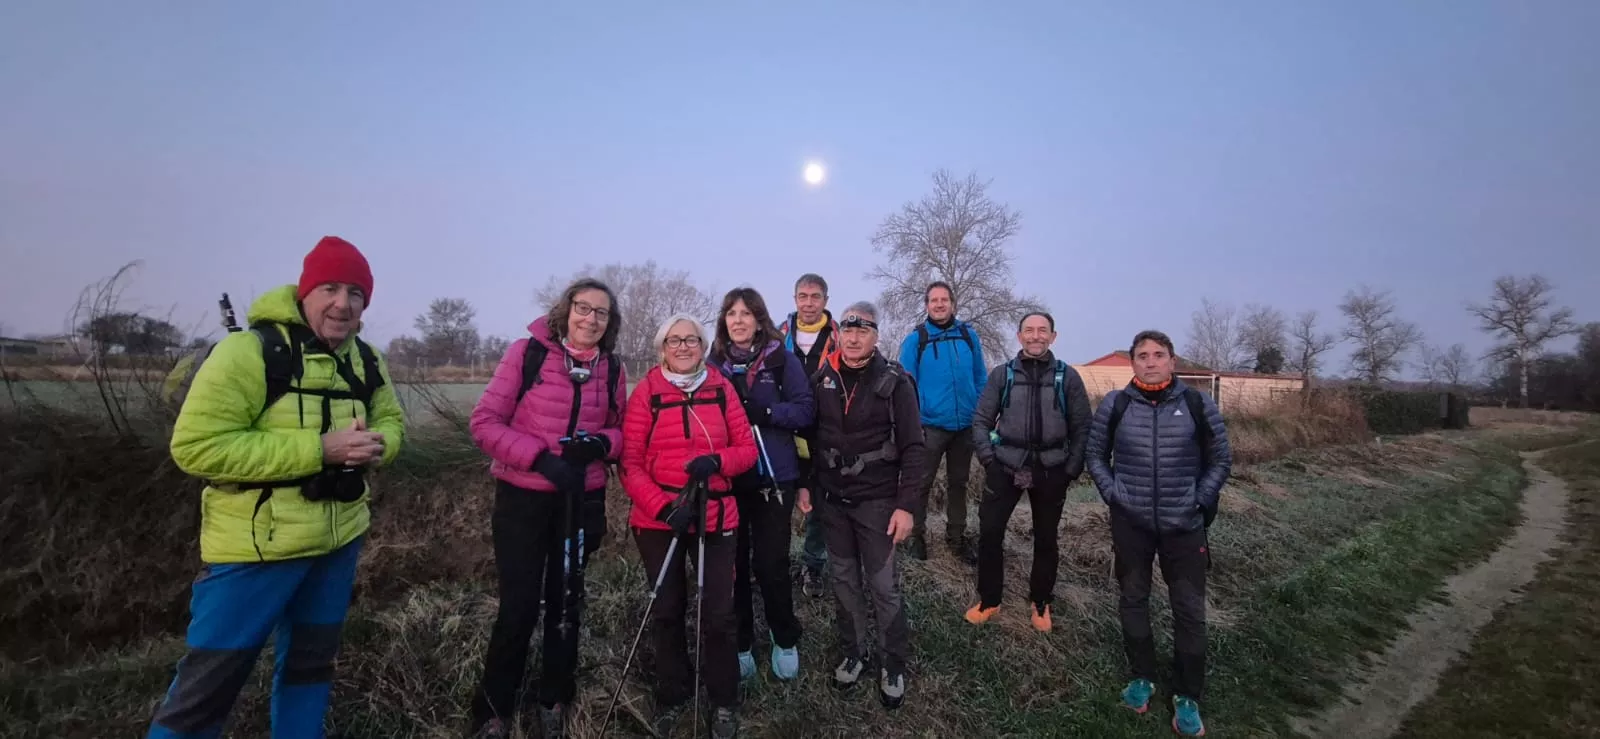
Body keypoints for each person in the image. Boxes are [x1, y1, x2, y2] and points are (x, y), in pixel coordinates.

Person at [147, 236, 406, 739]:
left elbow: (393, 421)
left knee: (312, 668)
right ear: (304, 292)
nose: (343, 303)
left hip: (338, 541)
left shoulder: (368, 360)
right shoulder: (247, 352)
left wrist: (379, 445)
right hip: (254, 551)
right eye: (330, 288)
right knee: (208, 688)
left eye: (356, 293)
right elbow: (197, 448)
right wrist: (320, 450)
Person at [465, 278, 627, 739]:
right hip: (523, 498)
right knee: (518, 606)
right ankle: (493, 709)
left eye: (601, 313)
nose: (591, 319)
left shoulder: (612, 369)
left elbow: (621, 433)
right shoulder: (527, 353)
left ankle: (555, 698)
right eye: (583, 308)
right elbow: (483, 423)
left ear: (609, 323)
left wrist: (600, 443)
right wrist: (539, 459)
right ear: (566, 310)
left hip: (581, 501)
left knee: (567, 603)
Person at [1085, 330, 1231, 738]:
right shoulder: (1116, 404)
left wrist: (1198, 499)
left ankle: (1187, 694)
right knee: (1133, 599)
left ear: (1172, 360)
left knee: (1188, 610)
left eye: (1158, 355)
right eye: (1142, 355)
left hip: (1184, 525)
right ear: (1133, 363)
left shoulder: (1197, 403)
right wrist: (1114, 494)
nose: (1150, 362)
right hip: (1131, 523)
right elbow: (1095, 456)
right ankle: (1142, 676)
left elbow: (1221, 459)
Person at [621, 314, 759, 739]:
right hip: (659, 518)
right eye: (674, 340)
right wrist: (664, 509)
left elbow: (747, 450)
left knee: (718, 613)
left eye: (692, 340)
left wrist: (717, 462)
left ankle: (722, 701)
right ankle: (672, 693)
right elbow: (630, 463)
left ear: (703, 346)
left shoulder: (722, 389)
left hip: (716, 513)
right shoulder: (646, 393)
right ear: (662, 348)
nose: (683, 347)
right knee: (666, 610)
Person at [803, 301, 926, 709]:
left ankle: (894, 663)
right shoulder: (823, 377)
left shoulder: (895, 382)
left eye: (864, 331)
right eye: (849, 331)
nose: (854, 338)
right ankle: (854, 653)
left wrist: (906, 505)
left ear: (876, 336)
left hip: (877, 502)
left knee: (884, 587)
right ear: (839, 334)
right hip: (832, 503)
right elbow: (810, 439)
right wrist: (807, 486)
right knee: (843, 581)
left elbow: (913, 448)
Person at [709, 287, 816, 682]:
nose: (738, 320)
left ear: (759, 319)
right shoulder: (713, 364)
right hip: (728, 481)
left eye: (746, 313)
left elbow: (806, 410)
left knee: (770, 564)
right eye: (731, 313)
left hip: (775, 479)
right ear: (724, 321)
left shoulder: (780, 360)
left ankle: (783, 636)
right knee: (732, 566)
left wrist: (767, 411)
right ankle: (740, 643)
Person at [966, 311, 1091, 632]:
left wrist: (1071, 469)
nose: (1036, 336)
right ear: (1019, 336)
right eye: (1029, 331)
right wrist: (989, 460)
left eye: (1043, 331)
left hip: (1052, 470)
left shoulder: (1068, 377)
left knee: (1046, 539)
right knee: (990, 533)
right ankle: (990, 600)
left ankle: (1040, 601)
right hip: (1005, 466)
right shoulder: (1002, 375)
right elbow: (980, 421)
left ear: (1053, 336)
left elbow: (1082, 428)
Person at [898, 281, 987, 562]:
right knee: (920, 484)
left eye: (944, 300)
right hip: (930, 425)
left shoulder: (968, 335)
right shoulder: (916, 340)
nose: (939, 304)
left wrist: (983, 412)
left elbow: (980, 377)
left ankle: (957, 538)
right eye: (934, 300)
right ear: (926, 305)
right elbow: (905, 384)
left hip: (965, 426)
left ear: (952, 304)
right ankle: (916, 537)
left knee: (958, 483)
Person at [776, 273, 839, 597]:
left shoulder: (840, 336)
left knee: (819, 502)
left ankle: (813, 566)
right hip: (784, 429)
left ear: (825, 301)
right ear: (795, 299)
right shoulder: (777, 335)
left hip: (824, 431)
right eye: (803, 296)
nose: (809, 302)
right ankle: (773, 564)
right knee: (777, 502)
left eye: (815, 296)